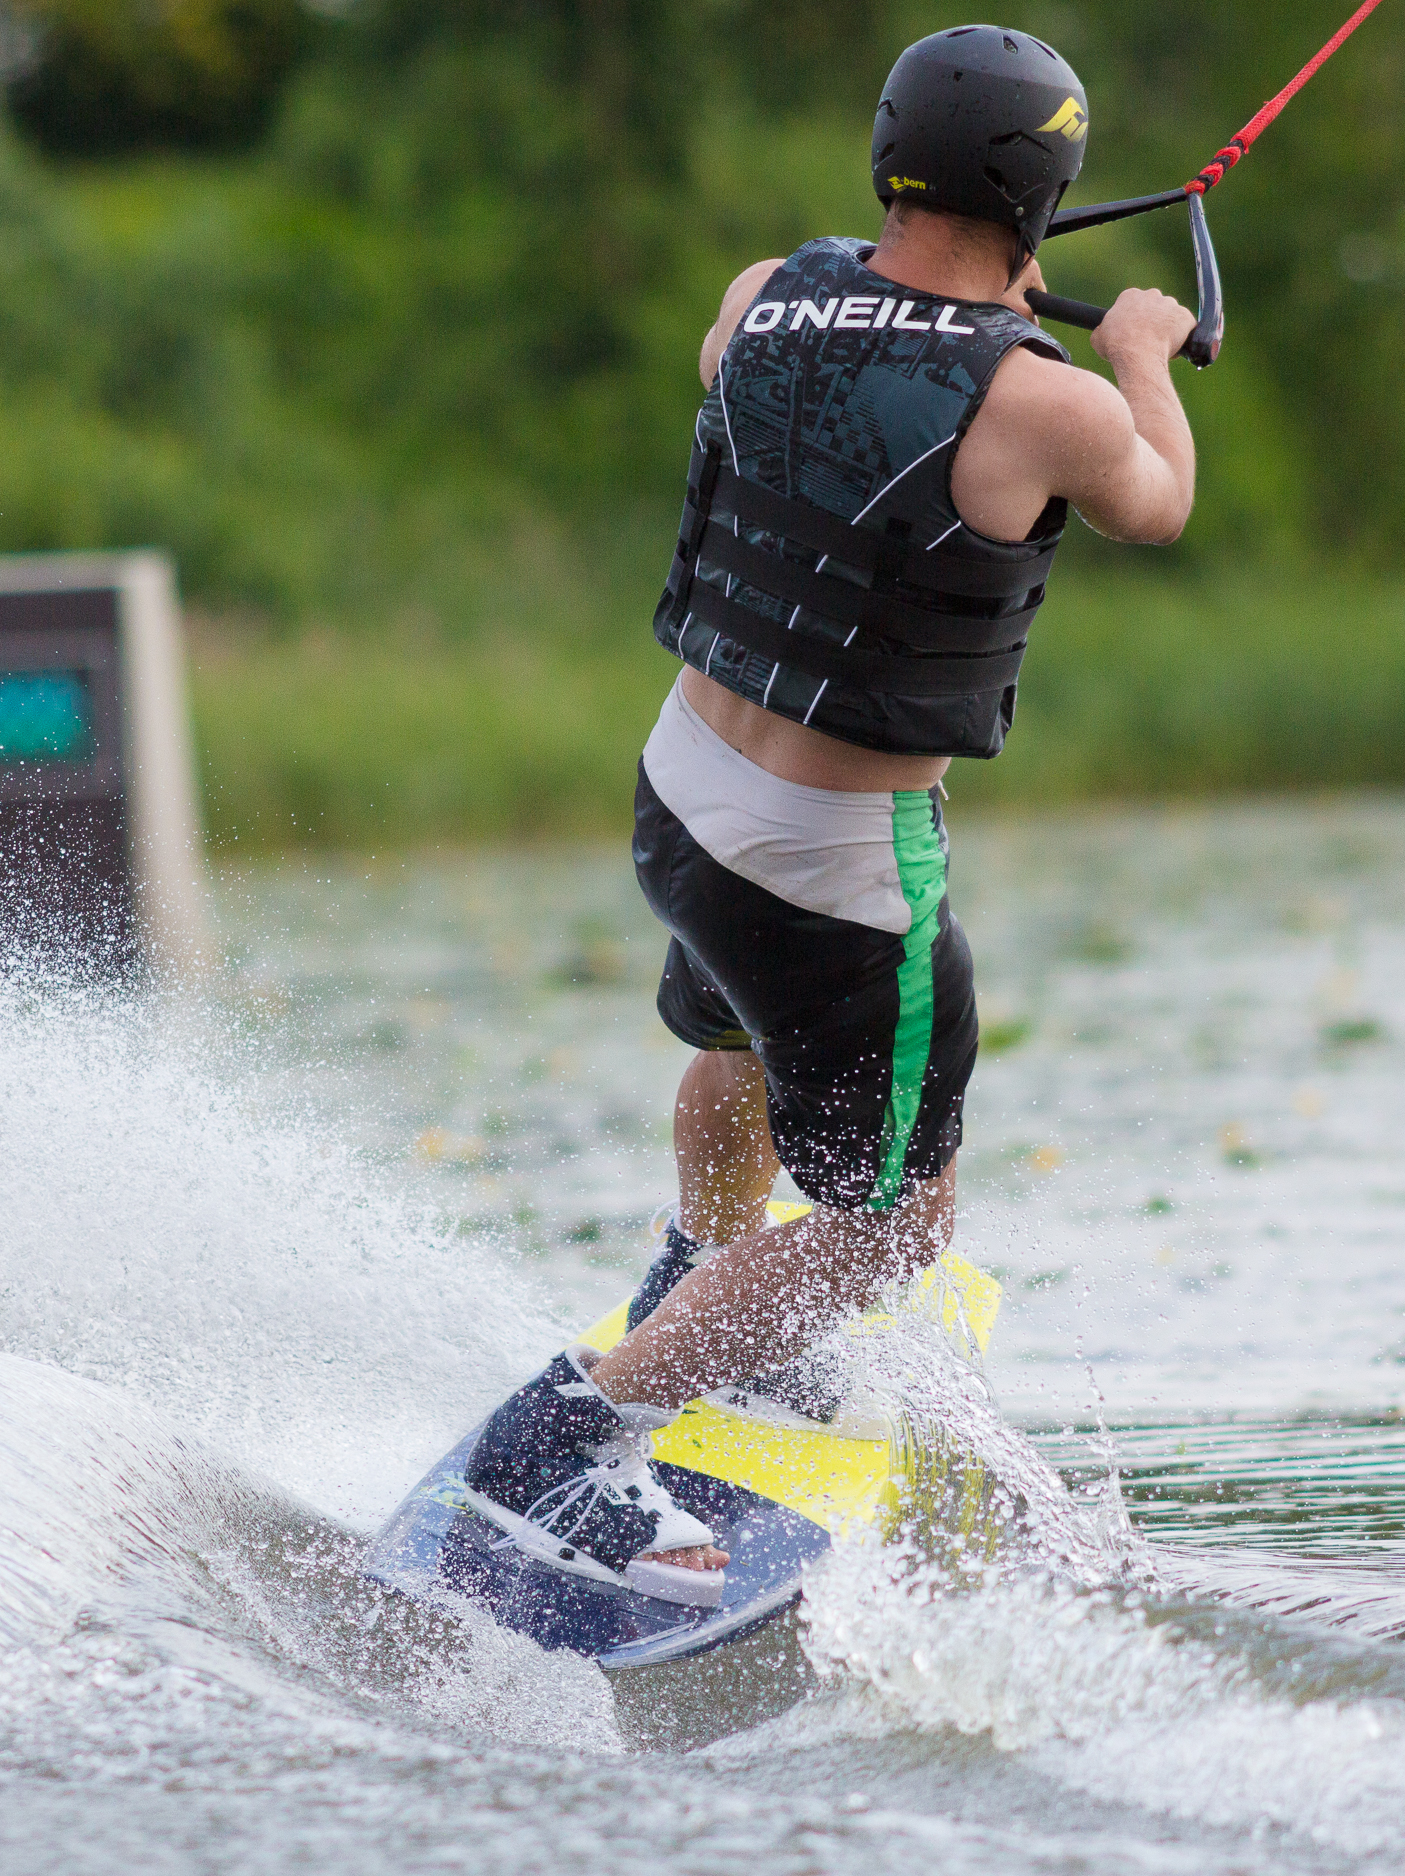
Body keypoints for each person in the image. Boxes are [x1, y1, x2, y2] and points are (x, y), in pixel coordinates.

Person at [460, 24, 1198, 1603]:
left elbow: (797, 367)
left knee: (732, 1041)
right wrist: (1138, 352)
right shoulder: (1047, 399)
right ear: (1046, 192)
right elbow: (1159, 497)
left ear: (890, 153)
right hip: (832, 870)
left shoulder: (760, 291)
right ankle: (572, 1438)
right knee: (891, 1232)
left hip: (680, 804)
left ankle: (701, 1283)